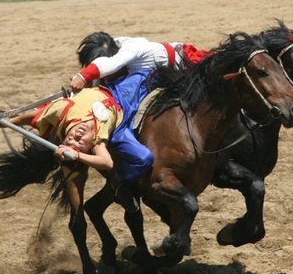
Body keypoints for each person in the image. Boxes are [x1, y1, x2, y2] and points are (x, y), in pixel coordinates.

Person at [70, 32, 212, 210]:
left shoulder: (131, 49)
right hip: (153, 82)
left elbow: (108, 65)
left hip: (183, 70)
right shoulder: (115, 63)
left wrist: (83, 76)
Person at [0, 86, 122, 173]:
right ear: (90, 147)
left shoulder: (63, 112)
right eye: (80, 143)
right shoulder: (97, 140)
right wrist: (78, 155)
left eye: (70, 139)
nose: (77, 136)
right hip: (121, 98)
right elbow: (107, 163)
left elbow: (32, 117)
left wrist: (8, 122)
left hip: (90, 83)